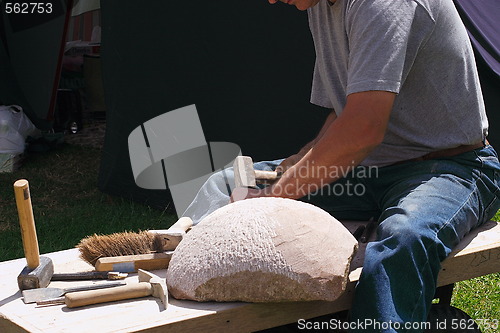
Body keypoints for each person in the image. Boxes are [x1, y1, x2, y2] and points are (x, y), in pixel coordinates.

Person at [183, 0, 500, 331]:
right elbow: (347, 109)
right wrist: (306, 157)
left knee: (404, 237)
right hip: (371, 165)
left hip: (450, 167)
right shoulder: (322, 5)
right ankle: (195, 307)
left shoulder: (384, 4)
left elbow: (363, 129)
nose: (272, 1)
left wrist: (275, 197)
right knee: (226, 186)